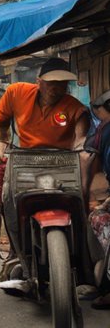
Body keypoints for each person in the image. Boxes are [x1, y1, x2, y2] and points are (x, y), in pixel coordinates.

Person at [0, 58, 90, 264]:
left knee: (80, 204)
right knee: (8, 200)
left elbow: (81, 137)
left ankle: (82, 260)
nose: (57, 88)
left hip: (62, 166)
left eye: (62, 84)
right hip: (24, 163)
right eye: (52, 83)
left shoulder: (74, 107)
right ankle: (16, 253)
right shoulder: (17, 93)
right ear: (39, 81)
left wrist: (82, 147)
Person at [86, 89, 110, 308]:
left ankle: (105, 288)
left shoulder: (104, 129)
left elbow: (91, 160)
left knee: (98, 220)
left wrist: (97, 201)